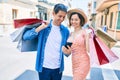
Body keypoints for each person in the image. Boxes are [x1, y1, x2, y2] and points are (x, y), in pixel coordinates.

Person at [23, 3, 70, 80]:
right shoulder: (44, 27)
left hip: (58, 69)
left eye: (64, 17)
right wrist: (40, 27)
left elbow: (66, 51)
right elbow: (26, 37)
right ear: (53, 13)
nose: (61, 19)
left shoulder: (65, 31)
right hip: (44, 68)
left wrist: (68, 53)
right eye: (60, 16)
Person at [62, 8, 90, 80]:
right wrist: (65, 50)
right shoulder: (71, 34)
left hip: (83, 62)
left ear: (81, 20)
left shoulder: (85, 32)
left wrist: (89, 37)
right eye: (72, 19)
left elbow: (89, 50)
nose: (73, 21)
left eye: (76, 19)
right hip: (74, 62)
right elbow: (70, 51)